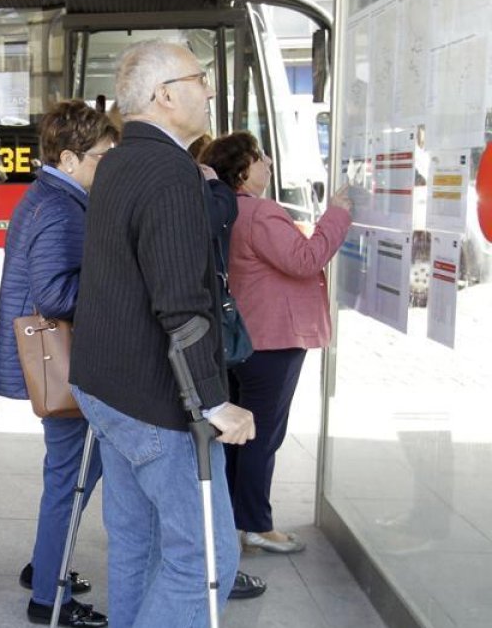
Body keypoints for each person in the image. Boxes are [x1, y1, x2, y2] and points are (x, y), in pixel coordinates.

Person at [68, 40, 257, 627]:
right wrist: (216, 401)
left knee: (137, 544)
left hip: (107, 388)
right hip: (156, 401)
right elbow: (182, 305)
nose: (208, 89)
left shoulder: (121, 160)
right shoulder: (170, 171)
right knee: (205, 559)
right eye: (200, 78)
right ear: (165, 94)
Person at [0, 100, 116, 628]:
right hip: (67, 367)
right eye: (101, 156)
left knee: (73, 473)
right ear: (69, 158)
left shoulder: (49, 196)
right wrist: (117, 275)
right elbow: (55, 295)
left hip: (61, 366)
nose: (107, 165)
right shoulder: (62, 208)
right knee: (71, 475)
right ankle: (50, 599)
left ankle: (46, 564)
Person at [200, 131, 352, 555]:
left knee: (234, 433)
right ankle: (256, 525)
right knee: (262, 435)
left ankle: (229, 518)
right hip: (272, 339)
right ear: (244, 170)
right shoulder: (260, 212)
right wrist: (336, 215)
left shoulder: (221, 209)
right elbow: (305, 259)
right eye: (261, 157)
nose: (268, 162)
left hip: (236, 339)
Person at [192, 132, 268, 600]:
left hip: (219, 351)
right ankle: (221, 567)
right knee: (219, 456)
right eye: (258, 157)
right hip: (220, 353)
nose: (268, 163)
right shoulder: (238, 207)